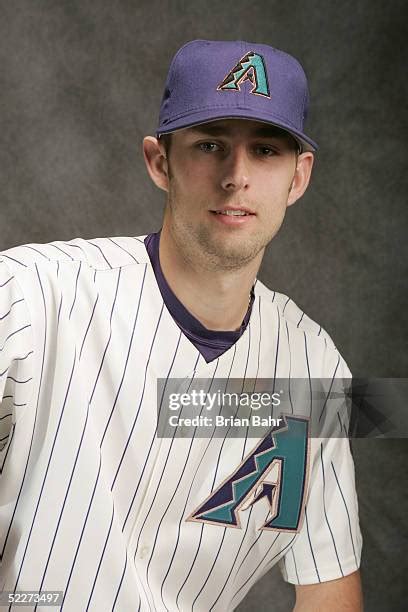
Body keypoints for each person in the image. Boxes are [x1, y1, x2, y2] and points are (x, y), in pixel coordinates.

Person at [0, 39, 362, 611]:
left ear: (298, 178)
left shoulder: (315, 366)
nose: (236, 176)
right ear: (160, 161)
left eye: (265, 150)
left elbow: (330, 586)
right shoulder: (29, 295)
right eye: (210, 144)